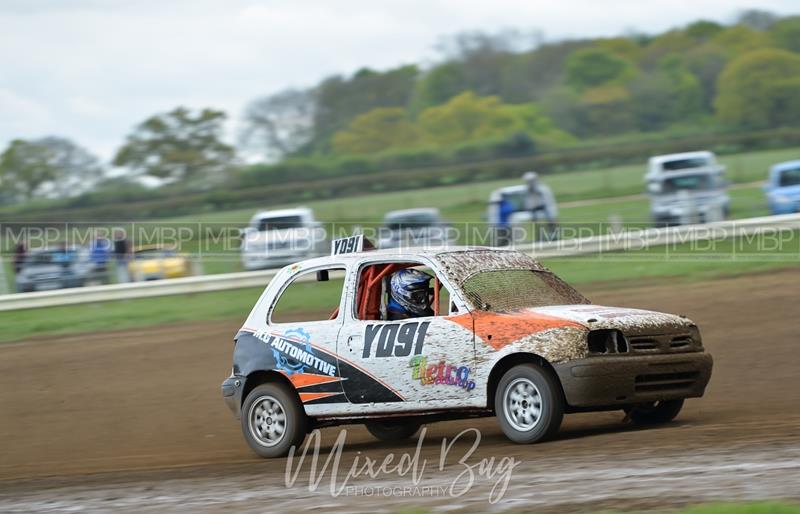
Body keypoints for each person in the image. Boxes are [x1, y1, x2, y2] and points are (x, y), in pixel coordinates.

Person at [522, 171, 558, 241]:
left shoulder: (542, 189)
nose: (530, 183)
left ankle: (552, 235)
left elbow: (547, 201)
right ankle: (539, 237)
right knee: (536, 224)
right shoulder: (526, 190)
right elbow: (528, 203)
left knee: (551, 221)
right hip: (534, 210)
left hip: (545, 209)